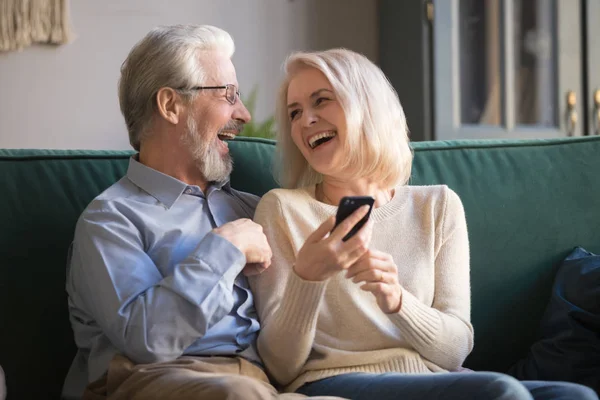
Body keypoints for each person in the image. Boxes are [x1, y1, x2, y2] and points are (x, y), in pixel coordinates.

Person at [248, 48, 598, 400]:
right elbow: (280, 367)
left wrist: (398, 301)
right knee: (499, 391)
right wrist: (307, 277)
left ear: (367, 107)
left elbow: (455, 349)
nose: (305, 120)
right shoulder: (282, 210)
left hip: (435, 379)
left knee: (575, 397)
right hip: (332, 381)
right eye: (294, 113)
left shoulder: (437, 206)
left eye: (321, 101)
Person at [62, 24, 338, 400]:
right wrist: (224, 250)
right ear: (171, 105)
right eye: (229, 94)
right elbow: (148, 338)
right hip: (148, 380)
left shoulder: (254, 210)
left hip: (260, 384)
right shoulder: (111, 220)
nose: (243, 112)